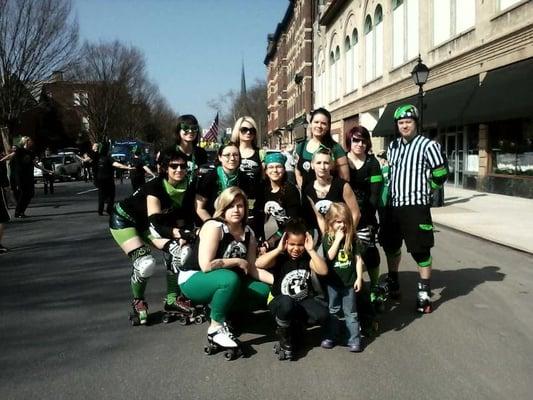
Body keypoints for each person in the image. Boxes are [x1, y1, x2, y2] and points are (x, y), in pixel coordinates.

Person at [179, 187, 272, 357]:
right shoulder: (214, 226)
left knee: (264, 292)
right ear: (223, 207)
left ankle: (223, 309)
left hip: (227, 279)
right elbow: (206, 265)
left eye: (240, 206)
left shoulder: (249, 232)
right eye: (230, 206)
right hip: (193, 279)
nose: (236, 210)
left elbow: (251, 268)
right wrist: (237, 261)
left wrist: (279, 282)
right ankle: (215, 328)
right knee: (229, 279)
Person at [109, 149, 197, 325]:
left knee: (179, 252)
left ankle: (172, 299)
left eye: (182, 166)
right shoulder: (155, 186)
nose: (179, 170)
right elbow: (156, 223)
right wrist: (178, 233)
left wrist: (185, 233)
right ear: (165, 168)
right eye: (174, 166)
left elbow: (185, 217)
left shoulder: (188, 185)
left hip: (148, 224)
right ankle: (138, 301)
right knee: (145, 263)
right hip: (125, 220)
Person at [380, 104, 448, 313]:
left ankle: (424, 291)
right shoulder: (393, 146)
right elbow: (389, 170)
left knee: (420, 249)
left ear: (416, 123)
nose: (404, 125)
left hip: (415, 206)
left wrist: (428, 190)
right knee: (391, 246)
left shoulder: (428, 146)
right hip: (392, 206)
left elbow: (441, 172)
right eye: (401, 123)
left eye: (408, 122)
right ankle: (393, 281)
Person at [256, 218, 329, 360]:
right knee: (287, 302)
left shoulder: (307, 257)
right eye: (292, 244)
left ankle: (296, 326)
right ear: (285, 242)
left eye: (300, 245)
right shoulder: (280, 258)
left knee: (323, 314)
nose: (296, 248)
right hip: (279, 300)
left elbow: (323, 271)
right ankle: (284, 333)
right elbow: (259, 263)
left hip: (301, 300)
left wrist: (311, 250)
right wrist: (278, 249)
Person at [316, 203, 363, 352]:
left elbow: (358, 259)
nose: (342, 225)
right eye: (338, 221)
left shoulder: (352, 238)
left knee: (351, 312)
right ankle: (331, 336)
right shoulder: (328, 239)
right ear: (330, 222)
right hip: (333, 283)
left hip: (349, 283)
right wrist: (337, 240)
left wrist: (359, 278)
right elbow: (328, 257)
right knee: (333, 310)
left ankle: (354, 339)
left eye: (344, 221)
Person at [345, 126, 384, 307]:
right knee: (345, 252)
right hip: (345, 216)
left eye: (363, 140)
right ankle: (347, 286)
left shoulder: (372, 163)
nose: (359, 144)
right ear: (349, 141)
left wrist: (364, 217)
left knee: (369, 251)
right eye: (355, 140)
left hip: (366, 215)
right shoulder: (343, 162)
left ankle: (375, 286)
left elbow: (375, 195)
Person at [195, 142, 260, 234]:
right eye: (227, 155)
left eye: (235, 155)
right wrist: (213, 225)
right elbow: (199, 208)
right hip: (212, 225)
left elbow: (247, 206)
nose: (232, 158)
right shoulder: (209, 177)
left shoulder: (245, 179)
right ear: (220, 157)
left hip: (236, 226)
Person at [303, 148, 360, 236]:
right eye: (318, 163)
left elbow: (356, 213)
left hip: (346, 233)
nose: (322, 167)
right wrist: (326, 239)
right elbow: (320, 218)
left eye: (326, 163)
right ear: (312, 165)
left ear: (332, 165)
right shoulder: (309, 190)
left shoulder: (342, 186)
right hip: (329, 235)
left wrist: (348, 236)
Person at [295, 108, 349, 191]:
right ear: (311, 124)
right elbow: (297, 170)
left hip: (329, 199)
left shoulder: (336, 148)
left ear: (328, 127)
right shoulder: (301, 147)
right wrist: (304, 189)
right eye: (316, 122)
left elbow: (345, 178)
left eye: (323, 123)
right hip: (307, 199)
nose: (319, 126)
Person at [230, 116, 265, 239]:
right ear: (237, 131)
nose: (248, 132)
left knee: (253, 238)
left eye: (252, 130)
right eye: (244, 129)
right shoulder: (231, 152)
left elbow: (264, 178)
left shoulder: (260, 153)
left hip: (255, 204)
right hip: (234, 202)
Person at [0, 137, 53, 218]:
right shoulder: (20, 150)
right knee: (23, 193)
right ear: (26, 142)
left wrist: (47, 170)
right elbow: (10, 156)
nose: (32, 142)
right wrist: (1, 160)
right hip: (21, 176)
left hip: (29, 176)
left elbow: (36, 164)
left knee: (30, 193)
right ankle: (18, 212)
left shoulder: (31, 153)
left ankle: (21, 211)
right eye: (30, 141)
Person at [261, 152, 301, 252]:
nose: (275, 170)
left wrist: (271, 241)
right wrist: (260, 241)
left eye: (278, 167)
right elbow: (260, 219)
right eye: (271, 167)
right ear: (266, 171)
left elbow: (292, 223)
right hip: (281, 234)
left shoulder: (290, 190)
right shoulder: (264, 190)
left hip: (296, 234)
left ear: (284, 169)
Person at [93, 142, 133, 216]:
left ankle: (100, 211)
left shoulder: (97, 158)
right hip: (108, 179)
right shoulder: (108, 158)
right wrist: (128, 167)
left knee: (101, 195)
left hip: (100, 179)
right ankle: (109, 209)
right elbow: (117, 165)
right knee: (111, 195)